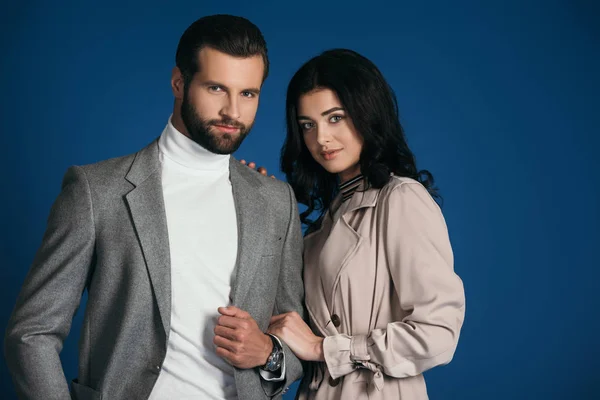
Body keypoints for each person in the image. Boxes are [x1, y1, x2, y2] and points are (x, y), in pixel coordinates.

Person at [4, 15, 305, 400]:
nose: (233, 111)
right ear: (179, 83)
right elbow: (31, 334)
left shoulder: (276, 201)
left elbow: (292, 328)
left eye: (248, 93)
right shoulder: (96, 191)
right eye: (216, 88)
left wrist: (270, 355)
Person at [265, 49, 466, 399]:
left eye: (335, 118)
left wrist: (326, 350)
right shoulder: (322, 224)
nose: (321, 139)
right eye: (307, 125)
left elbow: (438, 333)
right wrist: (257, 210)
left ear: (366, 113)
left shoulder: (399, 198)